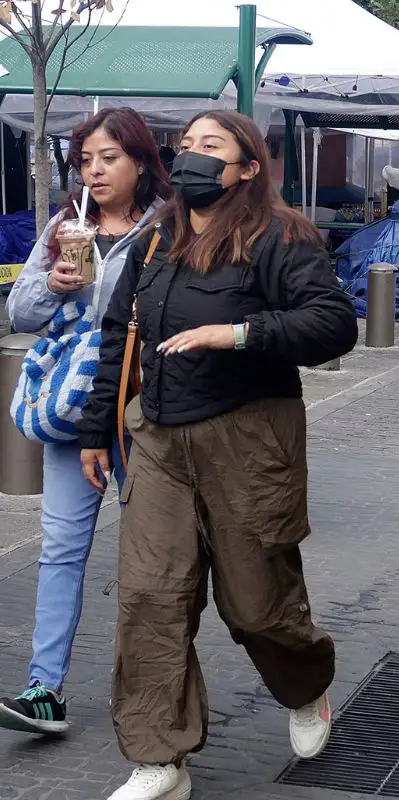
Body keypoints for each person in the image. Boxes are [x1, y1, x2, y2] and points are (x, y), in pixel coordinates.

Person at [76, 110, 358, 800]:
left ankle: (306, 684)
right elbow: (120, 337)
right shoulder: (154, 241)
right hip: (161, 439)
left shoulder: (282, 236)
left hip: (249, 439)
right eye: (188, 145)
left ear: (248, 168)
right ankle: (159, 759)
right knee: (150, 599)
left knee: (257, 607)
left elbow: (334, 324)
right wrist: (94, 430)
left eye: (213, 146)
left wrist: (235, 334)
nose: (193, 156)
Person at [0, 108, 170, 737]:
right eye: (86, 160)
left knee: (156, 558)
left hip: (144, 413)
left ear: (141, 162)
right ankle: (45, 690)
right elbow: (20, 312)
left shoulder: (167, 229)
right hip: (76, 412)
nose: (94, 171)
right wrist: (55, 282)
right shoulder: (67, 225)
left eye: (109, 158)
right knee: (60, 552)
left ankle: (157, 693)